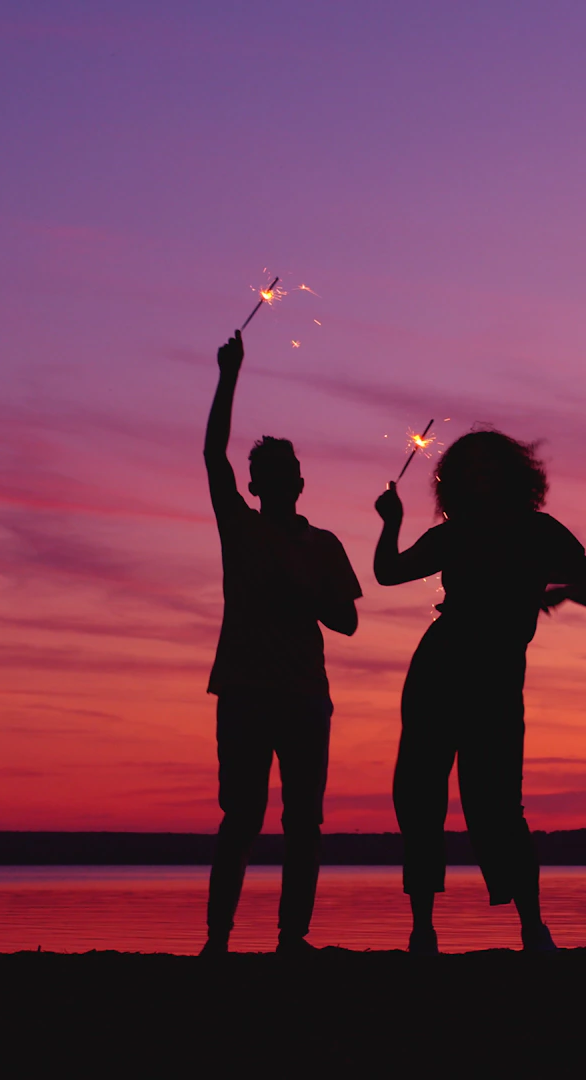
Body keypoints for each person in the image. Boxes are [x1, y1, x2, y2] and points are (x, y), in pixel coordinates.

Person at [373, 430, 586, 953]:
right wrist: (389, 524)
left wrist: (565, 587)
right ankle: (422, 931)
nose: (480, 472)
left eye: (489, 463)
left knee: (499, 802)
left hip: (497, 677)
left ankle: (533, 928)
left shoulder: (539, 531)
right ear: (456, 480)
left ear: (511, 472)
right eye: (470, 465)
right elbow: (388, 573)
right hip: (438, 668)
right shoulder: (453, 534)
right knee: (420, 795)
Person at [200, 332, 362, 956]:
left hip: (302, 697)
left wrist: (306, 598)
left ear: (300, 480)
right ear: (256, 482)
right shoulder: (238, 526)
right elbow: (212, 452)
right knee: (240, 818)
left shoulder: (323, 545)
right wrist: (229, 375)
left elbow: (347, 622)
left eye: (285, 472)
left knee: (304, 824)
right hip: (242, 690)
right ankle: (217, 940)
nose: (277, 480)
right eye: (265, 473)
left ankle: (292, 939)